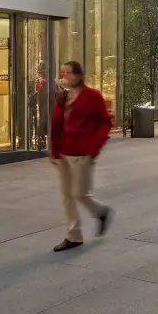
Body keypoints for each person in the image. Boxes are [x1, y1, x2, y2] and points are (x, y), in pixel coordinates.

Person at [49, 60, 113, 251]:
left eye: (67, 73)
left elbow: (105, 122)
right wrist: (54, 151)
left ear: (77, 75)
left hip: (82, 154)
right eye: (61, 73)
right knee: (67, 196)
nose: (63, 76)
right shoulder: (62, 97)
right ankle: (74, 236)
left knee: (79, 193)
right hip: (63, 153)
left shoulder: (92, 96)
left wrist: (94, 147)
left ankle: (101, 212)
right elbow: (56, 125)